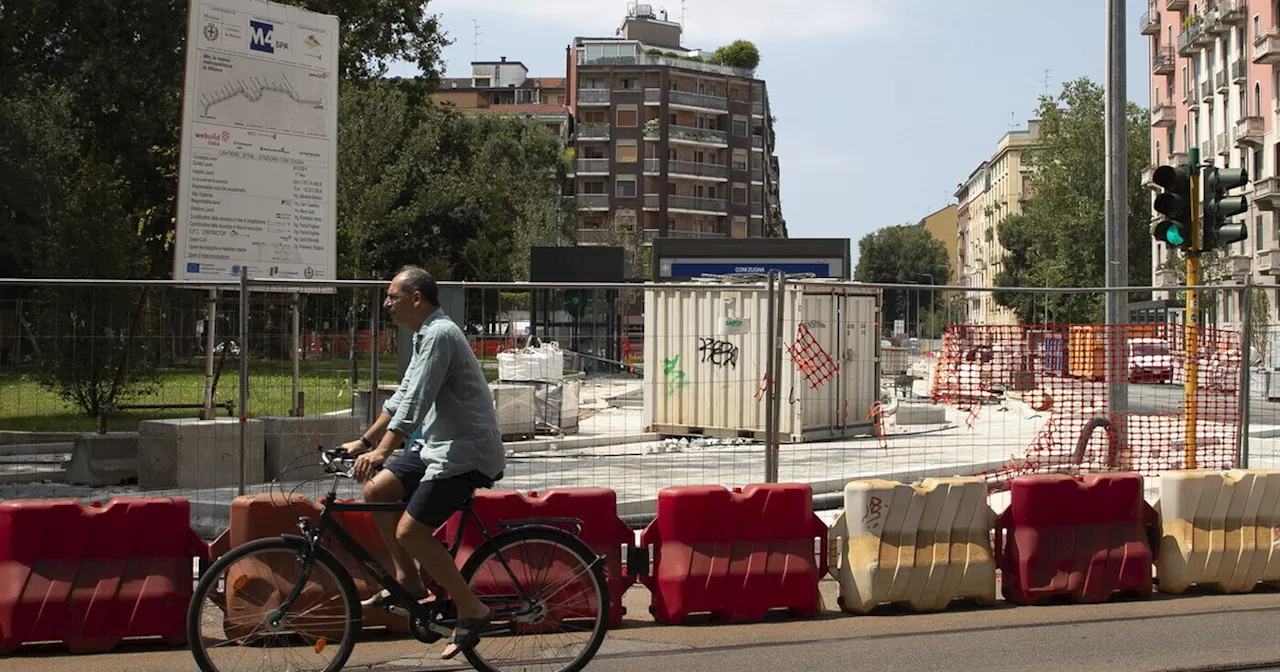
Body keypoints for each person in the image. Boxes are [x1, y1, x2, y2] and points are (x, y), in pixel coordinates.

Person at [340, 265, 505, 659]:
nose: (387, 303)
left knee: (410, 532)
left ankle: (472, 607)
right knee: (377, 489)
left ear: (416, 298)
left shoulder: (441, 335)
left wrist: (382, 451)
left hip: (465, 452)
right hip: (436, 447)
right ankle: (409, 582)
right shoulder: (423, 335)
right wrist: (364, 441)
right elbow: (402, 397)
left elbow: (418, 402)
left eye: (392, 296)